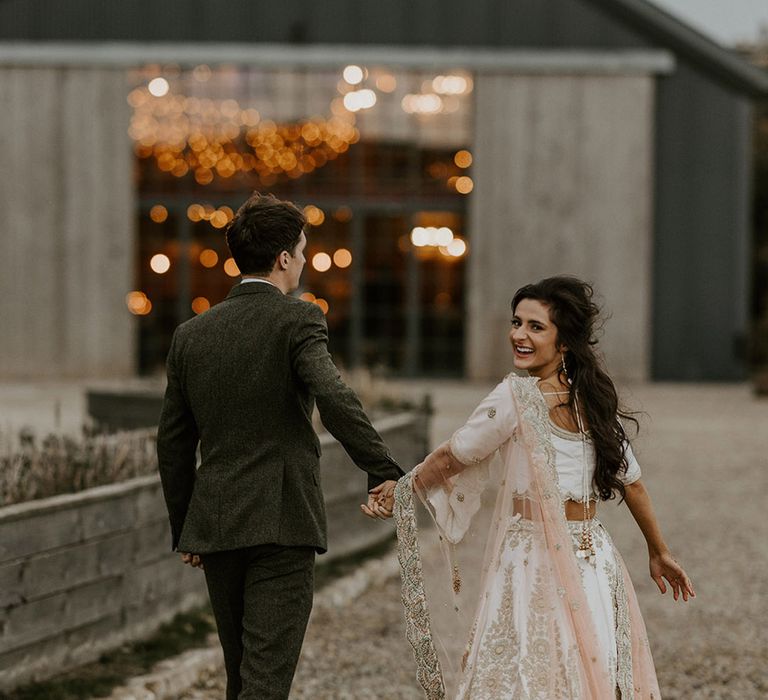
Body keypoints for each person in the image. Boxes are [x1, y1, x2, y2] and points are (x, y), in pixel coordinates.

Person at [373, 276, 694, 699]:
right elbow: (457, 453)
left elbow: (456, 457)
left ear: (565, 343)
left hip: (561, 561)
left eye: (535, 327)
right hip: (574, 556)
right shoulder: (553, 395)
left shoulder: (570, 397)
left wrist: (660, 551)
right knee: (558, 669)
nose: (518, 335)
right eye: (516, 322)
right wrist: (403, 488)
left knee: (553, 671)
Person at [157, 192, 401, 700]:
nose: (306, 262)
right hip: (283, 522)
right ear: (285, 258)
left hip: (218, 525)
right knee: (265, 684)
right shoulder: (298, 318)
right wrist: (382, 468)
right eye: (304, 251)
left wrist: (187, 529)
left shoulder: (190, 335)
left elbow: (173, 444)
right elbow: (333, 396)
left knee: (242, 675)